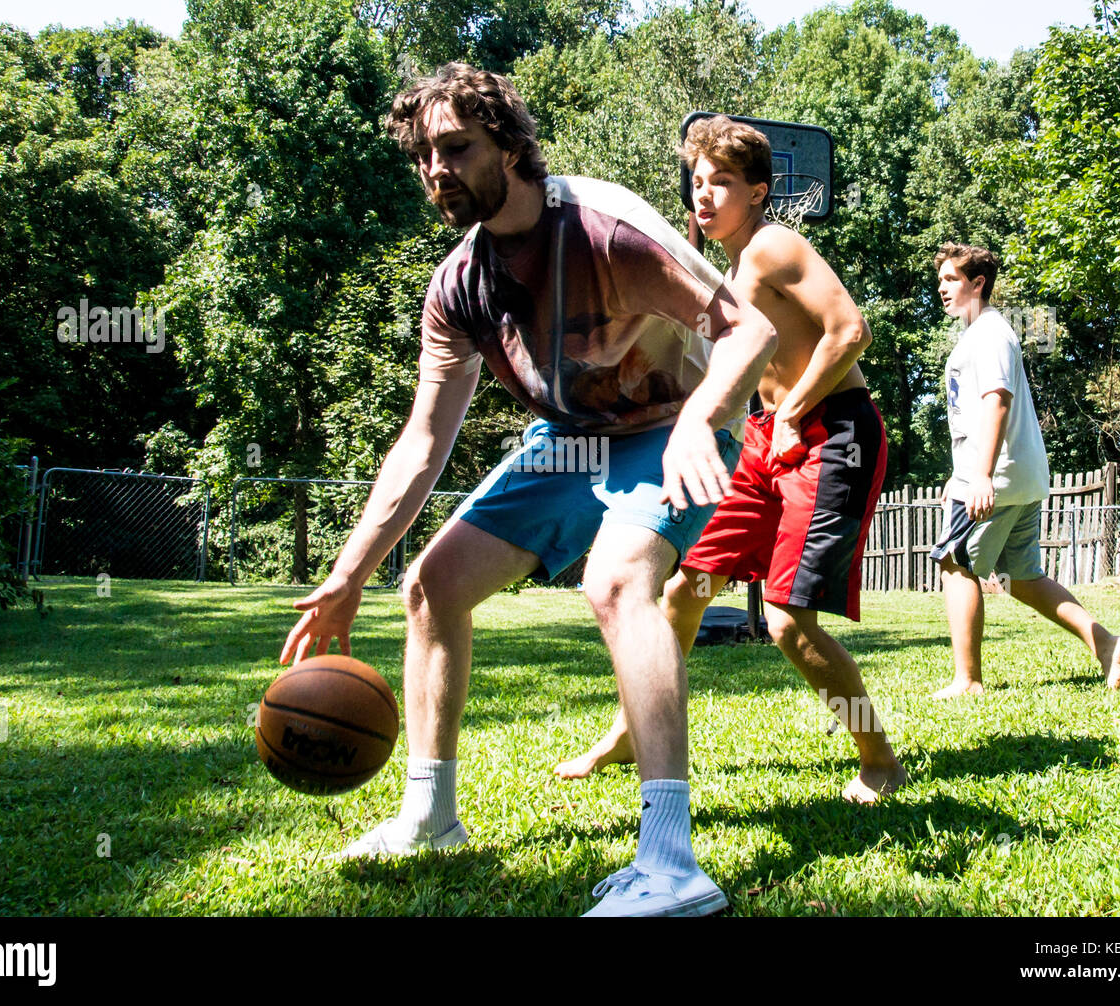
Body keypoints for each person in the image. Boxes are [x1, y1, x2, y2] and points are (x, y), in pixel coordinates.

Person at [278, 65, 777, 917]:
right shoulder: (458, 286)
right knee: (433, 587)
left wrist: (703, 417)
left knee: (618, 579)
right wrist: (348, 572)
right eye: (423, 155)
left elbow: (747, 327)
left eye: (454, 148)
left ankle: (671, 865)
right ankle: (430, 815)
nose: (436, 169)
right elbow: (424, 438)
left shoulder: (605, 229)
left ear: (508, 146)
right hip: (570, 444)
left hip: (672, 428)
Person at [556, 116, 907, 803]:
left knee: (786, 622)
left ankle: (879, 757)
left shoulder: (775, 245)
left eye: (722, 182)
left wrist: (793, 412)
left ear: (758, 192)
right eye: (698, 182)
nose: (705, 195)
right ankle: (633, 731)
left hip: (832, 432)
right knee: (686, 589)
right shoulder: (728, 270)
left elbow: (850, 331)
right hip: (766, 437)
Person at [928, 243, 1120, 697]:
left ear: (978, 284)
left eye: (951, 279)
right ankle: (1105, 642)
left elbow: (997, 400)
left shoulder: (990, 334)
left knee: (953, 562)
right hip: (1015, 475)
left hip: (995, 477)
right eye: (940, 279)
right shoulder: (978, 334)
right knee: (1021, 576)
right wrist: (961, 471)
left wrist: (979, 477)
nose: (941, 288)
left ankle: (967, 680)